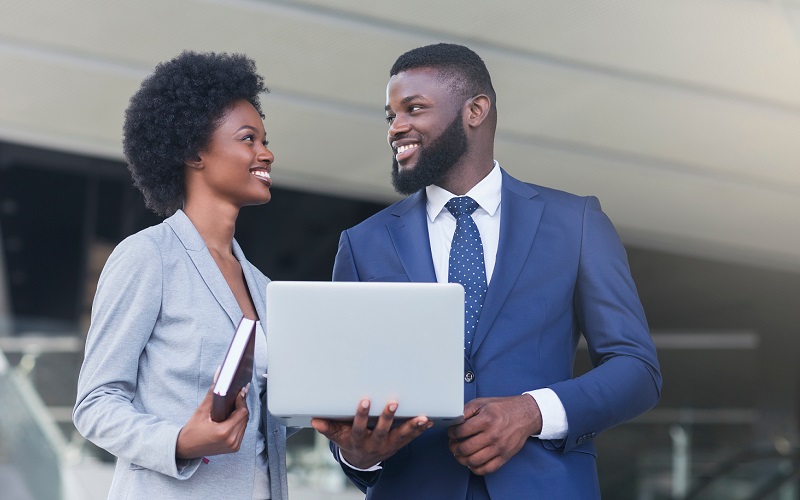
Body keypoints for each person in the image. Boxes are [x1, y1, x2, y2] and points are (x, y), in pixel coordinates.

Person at [311, 43, 662, 499]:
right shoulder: (363, 244)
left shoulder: (575, 223)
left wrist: (531, 411)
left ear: (475, 110)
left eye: (413, 109)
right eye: (389, 116)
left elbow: (636, 370)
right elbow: (350, 400)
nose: (396, 128)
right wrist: (359, 454)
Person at [73, 51, 290, 499]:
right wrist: (180, 442)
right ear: (194, 152)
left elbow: (263, 429)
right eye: (248, 139)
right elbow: (95, 404)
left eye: (264, 140)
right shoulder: (148, 257)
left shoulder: (266, 288)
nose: (266, 153)